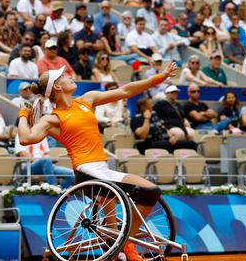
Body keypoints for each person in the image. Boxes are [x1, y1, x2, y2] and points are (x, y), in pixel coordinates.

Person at [17, 61, 179, 261]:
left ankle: (122, 241)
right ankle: (122, 245)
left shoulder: (87, 99)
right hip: (86, 172)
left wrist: (159, 78)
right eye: (64, 76)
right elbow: (26, 138)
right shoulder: (53, 119)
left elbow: (126, 91)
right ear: (57, 87)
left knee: (151, 192)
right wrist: (23, 115)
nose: (70, 75)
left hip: (102, 170)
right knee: (125, 202)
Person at [131, 96, 198, 154]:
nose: (152, 106)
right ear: (143, 107)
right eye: (150, 104)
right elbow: (143, 136)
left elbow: (163, 127)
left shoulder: (154, 115)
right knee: (165, 144)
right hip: (148, 144)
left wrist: (171, 137)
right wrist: (147, 119)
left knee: (191, 144)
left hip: (165, 142)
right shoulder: (135, 119)